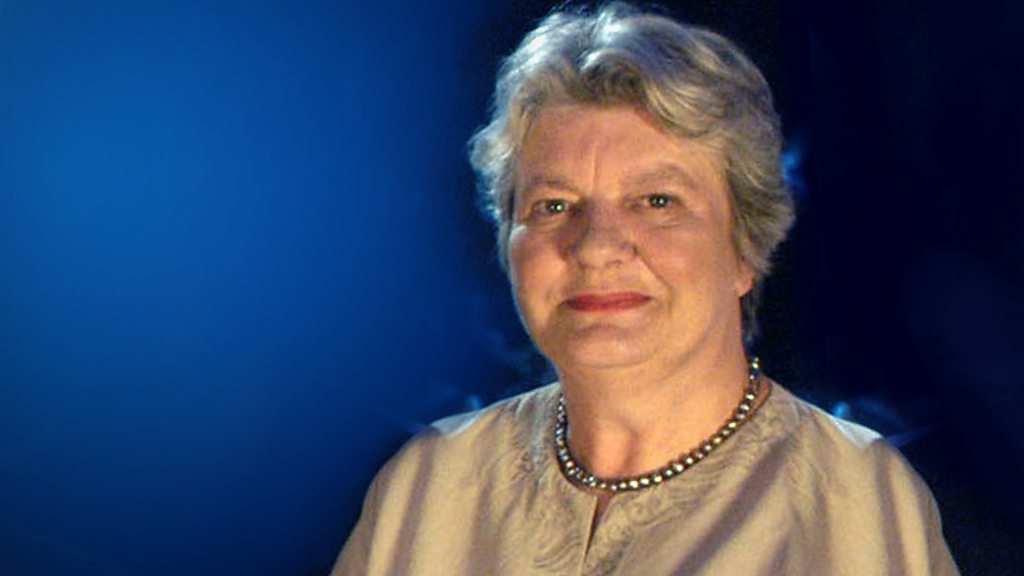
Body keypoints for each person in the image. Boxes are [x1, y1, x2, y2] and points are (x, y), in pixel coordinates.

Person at [333, 3, 960, 574]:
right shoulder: (429, 487)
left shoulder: (852, 498)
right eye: (554, 205)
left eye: (657, 201)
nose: (596, 246)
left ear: (746, 248)